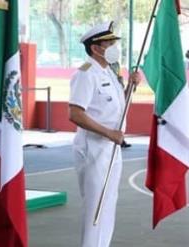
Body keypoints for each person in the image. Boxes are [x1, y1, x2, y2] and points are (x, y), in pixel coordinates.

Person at [69, 21, 141, 247]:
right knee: (95, 208)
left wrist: (131, 86)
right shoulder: (86, 74)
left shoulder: (108, 71)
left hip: (111, 147)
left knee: (108, 204)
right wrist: (109, 133)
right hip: (93, 148)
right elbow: (75, 114)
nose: (113, 46)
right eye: (108, 43)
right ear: (95, 48)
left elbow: (116, 106)